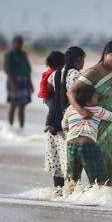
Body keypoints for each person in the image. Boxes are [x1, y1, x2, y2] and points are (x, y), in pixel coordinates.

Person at [68, 41, 112, 185]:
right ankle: (99, 193)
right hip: (97, 124)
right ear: (105, 54)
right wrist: (81, 110)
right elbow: (72, 91)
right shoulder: (94, 72)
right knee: (101, 161)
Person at [62, 85, 112, 186]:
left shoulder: (70, 109)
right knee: (99, 181)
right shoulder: (97, 110)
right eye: (95, 97)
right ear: (88, 101)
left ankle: (67, 198)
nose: (98, 98)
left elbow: (64, 125)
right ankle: (96, 199)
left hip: (71, 144)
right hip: (87, 144)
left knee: (72, 181)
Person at [43, 46, 86, 188]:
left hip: (54, 122)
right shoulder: (77, 75)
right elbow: (82, 97)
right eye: (83, 59)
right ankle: (71, 196)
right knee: (70, 161)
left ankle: (58, 194)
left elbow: (47, 91)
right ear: (79, 59)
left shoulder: (55, 74)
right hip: (70, 123)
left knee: (57, 160)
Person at [3, 35, 33, 128]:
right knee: (13, 105)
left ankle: (21, 128)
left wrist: (30, 84)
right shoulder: (9, 54)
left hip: (24, 81)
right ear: (13, 44)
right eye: (17, 43)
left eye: (20, 43)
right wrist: (13, 84)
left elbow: (28, 70)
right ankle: (10, 127)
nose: (19, 45)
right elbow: (8, 70)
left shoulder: (24, 54)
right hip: (14, 80)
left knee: (22, 106)